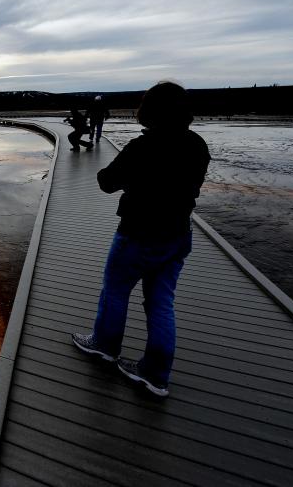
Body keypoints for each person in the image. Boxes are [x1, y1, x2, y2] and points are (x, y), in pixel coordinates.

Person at [71, 82, 210, 397]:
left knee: (116, 291)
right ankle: (156, 374)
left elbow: (107, 182)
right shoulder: (197, 145)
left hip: (138, 235)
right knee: (161, 302)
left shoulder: (143, 147)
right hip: (177, 235)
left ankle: (104, 346)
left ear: (150, 111)